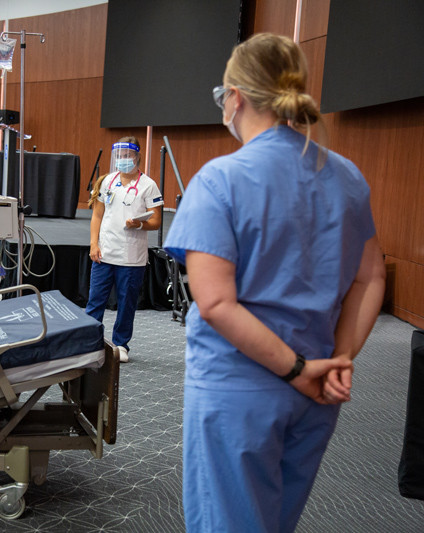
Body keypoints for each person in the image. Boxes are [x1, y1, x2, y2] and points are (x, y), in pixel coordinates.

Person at [163, 33, 386, 532]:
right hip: (317, 391)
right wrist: (336, 360)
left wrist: (296, 368)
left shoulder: (220, 180)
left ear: (235, 98)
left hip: (240, 388)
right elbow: (372, 276)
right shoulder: (348, 177)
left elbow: (216, 303)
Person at [85, 137, 163, 363]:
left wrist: (139, 224)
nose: (123, 160)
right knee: (95, 301)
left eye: (127, 156)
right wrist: (94, 243)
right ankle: (90, 342)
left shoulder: (148, 185)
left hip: (131, 257)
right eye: (119, 156)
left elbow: (156, 221)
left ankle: (120, 344)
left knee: (126, 302)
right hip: (104, 253)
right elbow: (97, 215)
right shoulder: (107, 181)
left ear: (137, 157)